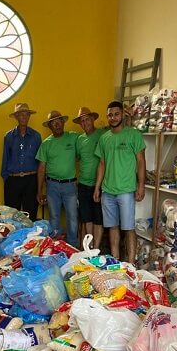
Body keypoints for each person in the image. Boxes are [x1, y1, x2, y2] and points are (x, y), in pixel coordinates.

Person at [93, 100, 146, 263]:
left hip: (126, 190)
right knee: (112, 227)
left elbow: (141, 161)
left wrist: (141, 186)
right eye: (110, 115)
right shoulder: (104, 138)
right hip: (108, 191)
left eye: (116, 114)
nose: (113, 118)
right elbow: (102, 164)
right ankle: (115, 260)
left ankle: (131, 264)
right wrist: (97, 187)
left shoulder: (133, 135)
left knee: (128, 228)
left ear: (122, 114)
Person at [36, 110, 79, 248]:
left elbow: (86, 149)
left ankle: (73, 246)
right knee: (54, 217)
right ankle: (56, 246)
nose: (57, 124)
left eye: (59, 121)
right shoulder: (46, 143)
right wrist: (39, 191)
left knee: (72, 217)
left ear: (63, 122)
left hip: (70, 185)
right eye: (53, 123)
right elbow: (41, 168)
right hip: (52, 186)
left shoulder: (74, 137)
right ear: (49, 126)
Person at [1, 102, 41, 222]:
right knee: (11, 217)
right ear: (16, 117)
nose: (24, 117)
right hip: (13, 180)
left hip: (31, 180)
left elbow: (40, 161)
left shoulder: (36, 136)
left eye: (26, 114)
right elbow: (5, 158)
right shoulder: (9, 136)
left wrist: (40, 182)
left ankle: (30, 235)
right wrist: (6, 178)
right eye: (21, 114)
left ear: (29, 116)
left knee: (31, 215)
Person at [74, 106, 105, 250]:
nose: (85, 123)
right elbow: (77, 159)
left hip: (100, 184)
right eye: (82, 121)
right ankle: (89, 248)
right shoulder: (80, 140)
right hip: (83, 184)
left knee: (98, 218)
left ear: (93, 119)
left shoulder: (103, 135)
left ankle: (96, 248)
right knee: (87, 218)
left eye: (87, 119)